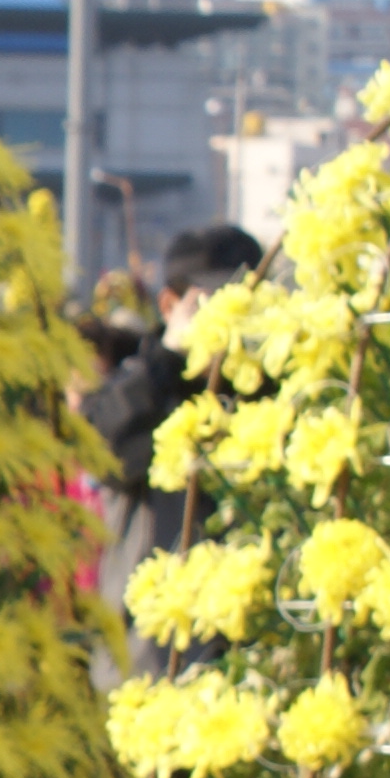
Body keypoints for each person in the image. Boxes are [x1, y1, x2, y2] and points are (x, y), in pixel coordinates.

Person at [82, 221, 260, 678]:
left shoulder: (264, 387)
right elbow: (107, 450)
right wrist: (170, 356)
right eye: (214, 300)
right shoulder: (143, 383)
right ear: (169, 304)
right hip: (152, 662)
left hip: (250, 656)